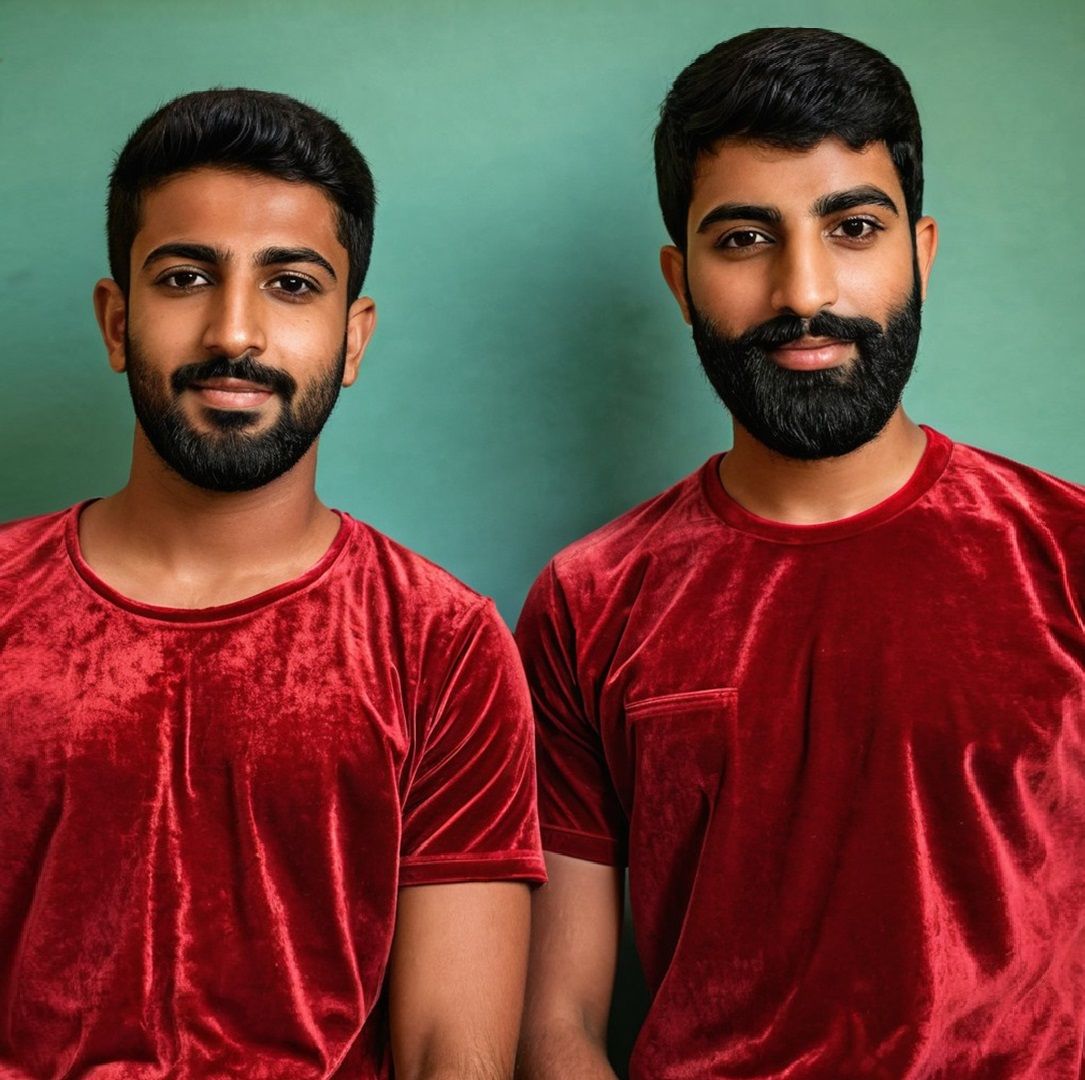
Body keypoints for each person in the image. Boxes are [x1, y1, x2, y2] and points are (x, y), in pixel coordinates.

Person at [515, 27, 1085, 1080]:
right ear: (678, 278)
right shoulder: (586, 602)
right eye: (742, 239)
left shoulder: (1065, 552)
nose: (801, 291)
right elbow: (553, 1025)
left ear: (917, 252)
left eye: (852, 226)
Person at [0, 88, 544, 1078]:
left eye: (291, 284)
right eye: (184, 276)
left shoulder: (444, 645)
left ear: (354, 339)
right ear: (117, 322)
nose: (233, 333)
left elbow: (448, 1056)